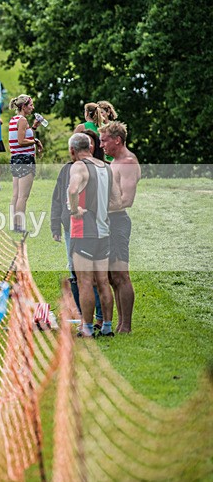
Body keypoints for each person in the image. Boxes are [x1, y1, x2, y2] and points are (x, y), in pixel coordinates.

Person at [67, 133, 122, 337]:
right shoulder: (106, 167)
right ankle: (107, 326)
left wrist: (74, 210)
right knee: (103, 282)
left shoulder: (78, 166)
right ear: (90, 148)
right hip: (103, 231)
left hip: (84, 232)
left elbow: (73, 190)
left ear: (73, 150)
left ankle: (87, 328)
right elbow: (117, 202)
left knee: (85, 282)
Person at [51, 130, 103, 318]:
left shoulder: (98, 168)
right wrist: (55, 224)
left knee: (93, 273)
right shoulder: (66, 169)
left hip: (88, 226)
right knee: (73, 268)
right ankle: (81, 313)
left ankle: (98, 316)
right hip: (70, 226)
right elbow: (57, 198)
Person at [100, 121, 141, 333]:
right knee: (111, 277)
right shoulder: (113, 161)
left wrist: (98, 207)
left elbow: (127, 200)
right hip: (107, 221)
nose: (101, 145)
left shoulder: (127, 162)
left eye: (104, 140)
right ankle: (119, 323)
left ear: (117, 140)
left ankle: (126, 326)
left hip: (117, 222)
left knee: (121, 275)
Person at [7, 95, 44, 232]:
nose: (32, 108)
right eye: (30, 105)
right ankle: (19, 226)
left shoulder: (14, 119)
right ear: (23, 106)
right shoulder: (22, 120)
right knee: (23, 196)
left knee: (16, 195)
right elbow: (21, 141)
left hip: (16, 158)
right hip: (25, 159)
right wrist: (35, 141)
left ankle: (15, 224)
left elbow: (24, 137)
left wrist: (34, 127)